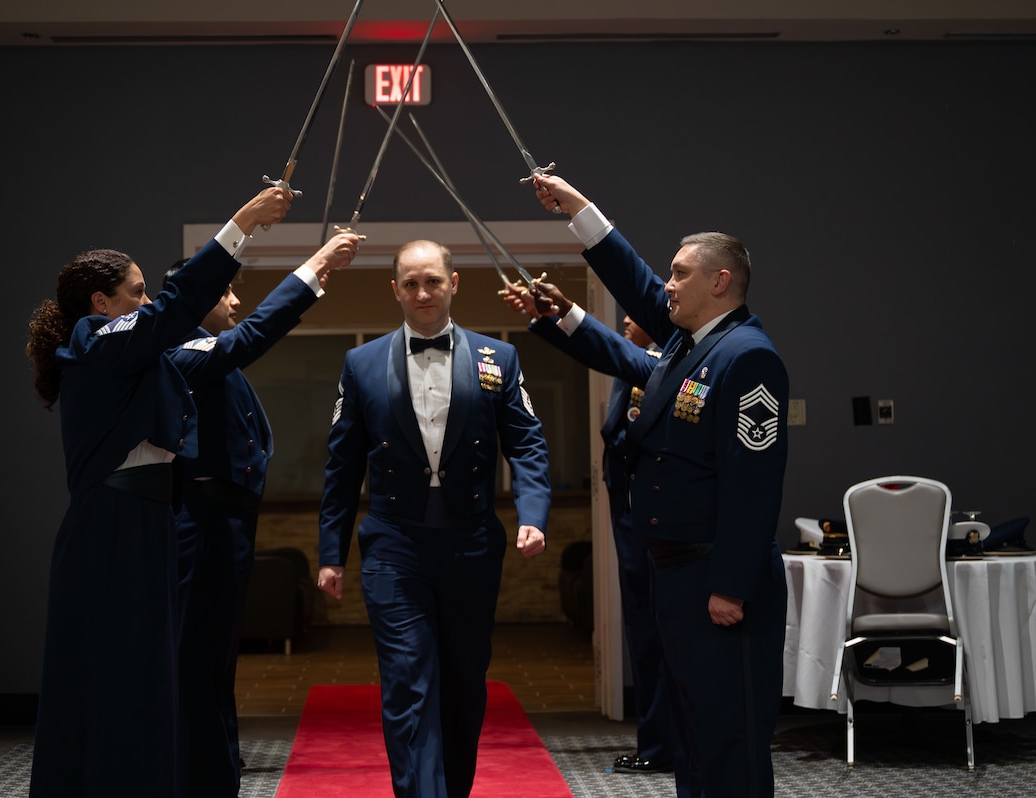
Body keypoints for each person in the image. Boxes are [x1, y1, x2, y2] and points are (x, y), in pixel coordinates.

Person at [24, 186, 301, 798]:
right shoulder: (95, 342)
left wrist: (307, 277)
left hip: (145, 516)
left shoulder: (136, 358)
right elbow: (175, 310)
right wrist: (243, 225)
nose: (147, 302)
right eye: (137, 291)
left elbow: (232, 347)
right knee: (115, 674)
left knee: (147, 676)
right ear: (102, 303)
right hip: (111, 526)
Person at [533, 176, 789, 798]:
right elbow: (635, 285)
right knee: (694, 735)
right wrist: (578, 213)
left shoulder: (745, 356)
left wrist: (730, 585)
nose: (666, 285)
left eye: (678, 274)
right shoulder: (689, 349)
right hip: (675, 575)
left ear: (719, 282)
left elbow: (754, 486)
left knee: (730, 738)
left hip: (717, 580)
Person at [316, 240, 551, 798]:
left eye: (433, 281)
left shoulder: (500, 358)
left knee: (466, 682)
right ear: (394, 289)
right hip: (394, 545)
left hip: (472, 543)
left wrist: (533, 512)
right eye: (411, 283)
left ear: (454, 284)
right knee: (408, 681)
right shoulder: (362, 363)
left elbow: (528, 444)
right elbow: (341, 466)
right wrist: (331, 553)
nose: (423, 293)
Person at [164, 230, 360, 798]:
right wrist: (313, 271)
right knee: (196, 655)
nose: (233, 301)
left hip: (225, 518)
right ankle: (194, 773)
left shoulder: (202, 350)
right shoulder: (178, 346)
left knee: (217, 656)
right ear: (196, 296)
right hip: (200, 518)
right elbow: (250, 337)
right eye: (225, 292)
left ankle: (216, 769)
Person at [500, 282, 678, 774]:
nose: (624, 318)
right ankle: (657, 743)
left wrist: (562, 314)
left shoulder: (670, 360)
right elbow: (609, 353)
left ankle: (670, 746)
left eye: (635, 312)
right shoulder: (641, 358)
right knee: (643, 632)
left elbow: (611, 352)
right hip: (629, 514)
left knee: (661, 635)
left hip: (656, 518)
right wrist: (548, 317)